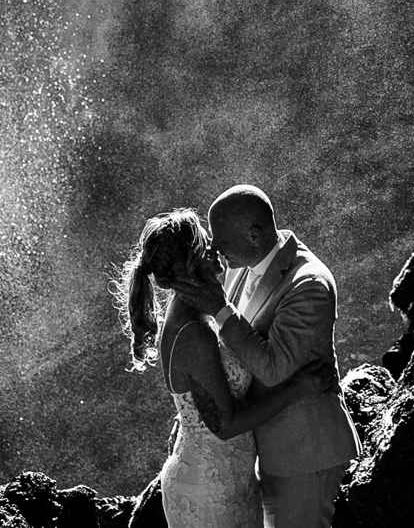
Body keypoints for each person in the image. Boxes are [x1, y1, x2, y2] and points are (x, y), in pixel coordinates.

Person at [117, 209, 334, 528]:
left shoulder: (193, 313)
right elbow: (225, 424)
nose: (215, 249)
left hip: (226, 476)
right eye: (207, 243)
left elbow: (198, 398)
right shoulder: (195, 333)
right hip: (210, 490)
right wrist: (299, 388)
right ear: (192, 262)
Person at [169, 186, 362, 528]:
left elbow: (273, 368)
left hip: (305, 454)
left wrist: (220, 309)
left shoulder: (309, 284)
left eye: (220, 240)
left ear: (254, 235)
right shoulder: (240, 264)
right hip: (261, 451)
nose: (214, 249)